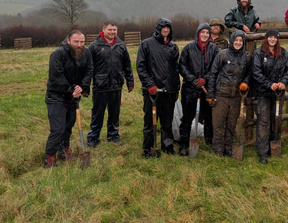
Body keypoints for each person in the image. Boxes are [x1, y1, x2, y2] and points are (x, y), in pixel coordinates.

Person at [43, 30, 93, 168]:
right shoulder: (58, 54)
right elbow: (56, 76)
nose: (79, 44)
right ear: (68, 41)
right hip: (56, 96)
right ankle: (50, 157)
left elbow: (89, 70)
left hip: (74, 97)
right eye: (76, 41)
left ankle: (64, 150)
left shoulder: (86, 53)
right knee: (58, 128)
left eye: (82, 42)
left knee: (68, 127)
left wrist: (82, 88)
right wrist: (72, 90)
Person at [136, 18, 180, 157]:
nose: (165, 30)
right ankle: (148, 148)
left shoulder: (173, 47)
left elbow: (175, 69)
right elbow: (141, 67)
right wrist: (150, 85)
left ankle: (167, 146)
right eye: (163, 27)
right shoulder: (146, 44)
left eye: (168, 28)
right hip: (153, 91)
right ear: (158, 29)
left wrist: (175, 89)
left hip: (169, 91)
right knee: (150, 122)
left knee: (167, 122)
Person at [86, 20, 134, 148]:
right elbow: (88, 68)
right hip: (100, 86)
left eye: (114, 30)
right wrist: (85, 85)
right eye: (110, 30)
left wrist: (130, 82)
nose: (112, 32)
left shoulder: (121, 45)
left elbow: (127, 66)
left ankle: (113, 136)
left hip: (116, 85)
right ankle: (93, 138)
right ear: (103, 30)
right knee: (98, 113)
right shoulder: (94, 46)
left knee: (114, 113)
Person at [251, 29, 288, 164]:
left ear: (277, 39)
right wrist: (269, 84)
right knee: (263, 121)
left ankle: (274, 147)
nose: (272, 40)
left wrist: (283, 82)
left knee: (276, 119)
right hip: (263, 92)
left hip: (278, 93)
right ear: (266, 39)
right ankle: (262, 152)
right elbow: (256, 72)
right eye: (270, 37)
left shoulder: (283, 53)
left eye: (275, 37)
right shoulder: (258, 53)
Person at [207, 30, 252, 157]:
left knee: (232, 125)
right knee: (218, 124)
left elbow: (250, 72)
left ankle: (228, 148)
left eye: (240, 41)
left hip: (236, 96)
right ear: (231, 41)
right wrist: (210, 94)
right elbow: (213, 74)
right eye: (236, 40)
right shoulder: (222, 54)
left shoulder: (247, 57)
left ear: (243, 42)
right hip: (221, 95)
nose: (238, 43)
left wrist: (246, 82)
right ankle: (218, 149)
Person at [178, 22, 220, 155]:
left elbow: (215, 67)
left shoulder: (214, 49)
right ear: (198, 33)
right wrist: (193, 79)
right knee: (187, 117)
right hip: (189, 89)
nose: (205, 35)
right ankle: (183, 144)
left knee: (208, 116)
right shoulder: (188, 48)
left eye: (207, 33)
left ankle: (209, 141)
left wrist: (205, 79)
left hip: (207, 89)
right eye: (203, 32)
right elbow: (182, 66)